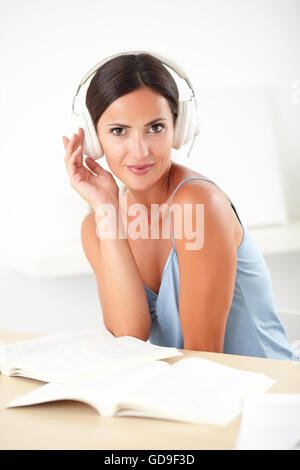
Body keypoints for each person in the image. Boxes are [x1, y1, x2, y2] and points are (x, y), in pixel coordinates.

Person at [62, 52, 293, 360]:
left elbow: (205, 354)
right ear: (94, 139)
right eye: (119, 131)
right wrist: (106, 206)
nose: (139, 150)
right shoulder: (97, 225)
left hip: (259, 391)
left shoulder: (198, 204)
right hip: (184, 390)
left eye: (155, 127)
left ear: (179, 128)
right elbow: (129, 335)